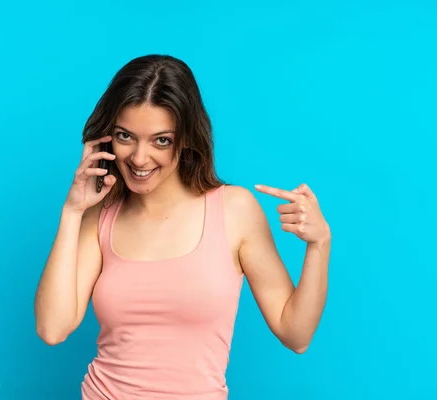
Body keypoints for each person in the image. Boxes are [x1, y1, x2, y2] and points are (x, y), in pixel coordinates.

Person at [34, 54, 331, 400]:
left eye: (161, 140)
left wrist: (319, 244)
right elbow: (52, 329)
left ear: (187, 138)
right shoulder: (100, 214)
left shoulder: (234, 210)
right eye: (125, 136)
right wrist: (72, 212)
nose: (140, 158)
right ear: (107, 138)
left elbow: (296, 334)